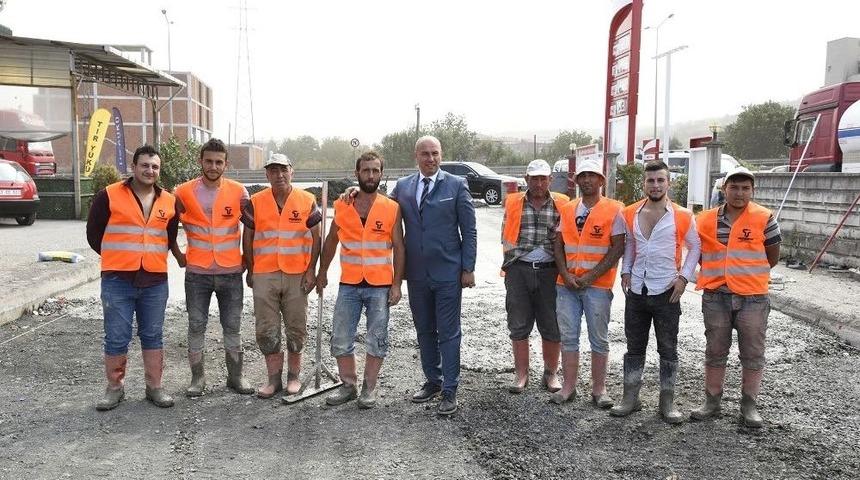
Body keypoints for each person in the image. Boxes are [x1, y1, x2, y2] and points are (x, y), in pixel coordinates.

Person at [86, 145, 180, 410]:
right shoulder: (110, 195)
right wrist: (115, 258)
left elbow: (169, 237)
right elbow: (94, 233)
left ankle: (155, 388)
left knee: (153, 335)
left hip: (154, 280)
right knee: (116, 336)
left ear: (158, 171)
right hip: (117, 279)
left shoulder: (169, 201)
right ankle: (115, 389)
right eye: (145, 165)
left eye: (155, 167)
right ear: (134, 167)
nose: (150, 171)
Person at [609, 160, 701, 423]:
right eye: (651, 180)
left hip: (667, 291)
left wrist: (684, 278)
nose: (656, 185)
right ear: (644, 183)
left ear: (668, 182)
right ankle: (631, 397)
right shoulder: (630, 213)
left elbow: (695, 247)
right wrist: (625, 271)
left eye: (661, 180)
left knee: (668, 347)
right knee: (634, 346)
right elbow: (629, 244)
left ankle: (667, 402)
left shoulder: (682, 215)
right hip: (637, 289)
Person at [391, 135, 477, 415]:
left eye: (435, 153)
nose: (431, 159)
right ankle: (433, 380)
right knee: (424, 330)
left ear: (441, 155)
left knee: (449, 333)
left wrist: (468, 268)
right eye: (425, 154)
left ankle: (450, 388)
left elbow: (470, 230)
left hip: (448, 273)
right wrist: (353, 193)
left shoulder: (456, 184)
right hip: (416, 273)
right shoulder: (403, 187)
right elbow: (381, 209)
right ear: (416, 156)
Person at [690, 166, 780, 428]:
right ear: (724, 189)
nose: (740, 193)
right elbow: (698, 253)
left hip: (753, 297)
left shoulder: (765, 218)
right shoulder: (705, 219)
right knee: (715, 349)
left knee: (752, 352)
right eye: (734, 187)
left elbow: (772, 257)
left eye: (745, 188)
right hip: (716, 295)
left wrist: (745, 275)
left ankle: (749, 406)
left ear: (752, 191)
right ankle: (712, 401)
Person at [317, 151, 405, 408]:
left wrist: (397, 283)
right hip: (350, 284)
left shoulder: (391, 208)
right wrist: (322, 272)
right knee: (341, 337)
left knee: (376, 338)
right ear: (357, 173)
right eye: (365, 170)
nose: (370, 175)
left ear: (381, 174)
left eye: (375, 170)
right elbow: (331, 241)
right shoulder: (343, 204)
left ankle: (369, 387)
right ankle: (348, 385)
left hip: (380, 286)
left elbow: (399, 247)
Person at [173, 138, 254, 397]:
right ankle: (198, 379)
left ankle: (236, 377)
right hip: (197, 272)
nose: (213, 166)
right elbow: (163, 225)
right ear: (201, 161)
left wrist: (247, 260)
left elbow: (252, 228)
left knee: (233, 326)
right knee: (196, 325)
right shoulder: (182, 193)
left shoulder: (239, 192)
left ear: (226, 164)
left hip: (231, 272)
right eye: (208, 161)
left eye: (219, 162)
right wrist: (178, 255)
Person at [241, 153, 322, 400]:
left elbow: (316, 238)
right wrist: (251, 269)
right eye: (273, 170)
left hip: (297, 274)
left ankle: (294, 377)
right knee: (266, 328)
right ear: (267, 174)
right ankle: (273, 379)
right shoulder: (255, 201)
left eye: (283, 169)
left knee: (296, 327)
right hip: (265, 274)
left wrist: (311, 270)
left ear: (291, 171)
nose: (279, 175)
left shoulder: (307, 200)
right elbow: (248, 237)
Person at [551, 158, 625, 406]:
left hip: (598, 286)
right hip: (567, 285)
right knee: (569, 336)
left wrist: (591, 277)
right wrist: (566, 274)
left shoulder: (615, 209)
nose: (587, 180)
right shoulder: (569, 208)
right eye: (583, 176)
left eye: (592, 176)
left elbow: (618, 248)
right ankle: (568, 387)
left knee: (598, 338)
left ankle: (599, 390)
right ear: (576, 180)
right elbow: (558, 245)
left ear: (601, 180)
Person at [500, 159, 569, 394]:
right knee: (518, 324)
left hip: (551, 271)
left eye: (543, 178)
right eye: (534, 179)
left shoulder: (563, 203)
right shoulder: (512, 202)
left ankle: (551, 373)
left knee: (552, 324)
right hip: (518, 269)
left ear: (550, 180)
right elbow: (505, 234)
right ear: (526, 180)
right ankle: (521, 374)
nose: (538, 183)